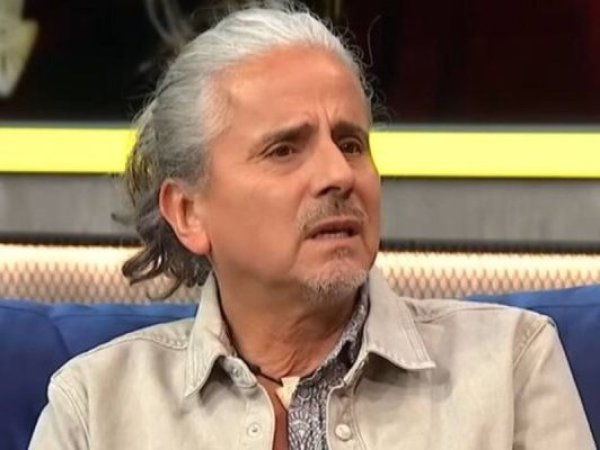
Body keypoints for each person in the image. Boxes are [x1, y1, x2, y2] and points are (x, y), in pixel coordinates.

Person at [29, 2, 594, 449]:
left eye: (351, 143)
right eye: (284, 150)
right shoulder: (95, 408)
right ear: (188, 213)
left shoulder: (511, 364)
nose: (338, 174)